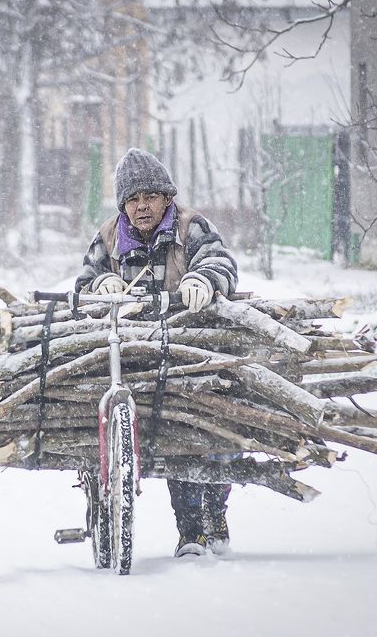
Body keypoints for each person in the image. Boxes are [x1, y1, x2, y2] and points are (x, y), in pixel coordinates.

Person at [74, 147, 239, 557]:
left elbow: (221, 262)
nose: (142, 206)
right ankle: (190, 528)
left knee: (197, 429)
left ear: (167, 197)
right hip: (131, 355)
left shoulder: (190, 227)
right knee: (165, 433)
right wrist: (100, 287)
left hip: (189, 350)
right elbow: (84, 282)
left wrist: (204, 279)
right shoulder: (110, 236)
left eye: (150, 196)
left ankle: (207, 520)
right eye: (133, 199)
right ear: (123, 205)